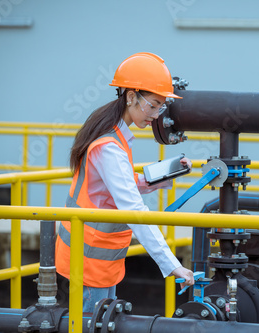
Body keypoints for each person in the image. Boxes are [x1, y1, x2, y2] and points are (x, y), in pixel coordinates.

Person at [55, 52, 195, 313]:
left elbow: (118, 184)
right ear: (131, 96)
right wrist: (171, 264)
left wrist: (161, 176)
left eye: (161, 106)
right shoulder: (110, 147)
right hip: (89, 259)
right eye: (153, 104)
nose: (156, 114)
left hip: (94, 255)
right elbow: (133, 208)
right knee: (91, 325)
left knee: (98, 322)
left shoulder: (112, 132)